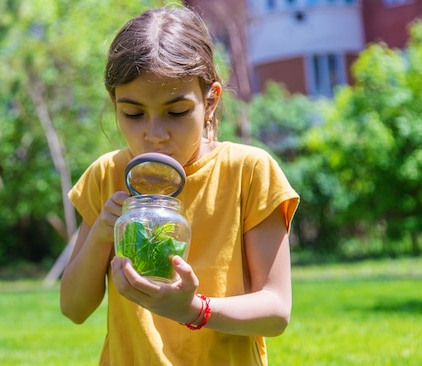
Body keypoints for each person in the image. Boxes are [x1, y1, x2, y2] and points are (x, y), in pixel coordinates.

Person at [60, 5, 299, 365]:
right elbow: (73, 308)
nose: (155, 134)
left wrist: (193, 310)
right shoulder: (106, 175)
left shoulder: (248, 171)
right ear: (114, 104)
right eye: (133, 114)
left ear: (210, 101)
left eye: (176, 112)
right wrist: (99, 237)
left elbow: (276, 310)